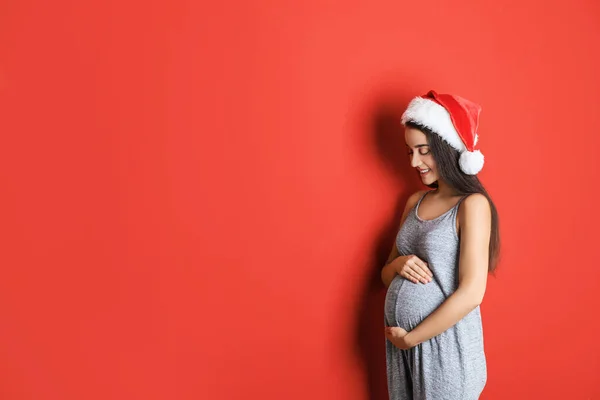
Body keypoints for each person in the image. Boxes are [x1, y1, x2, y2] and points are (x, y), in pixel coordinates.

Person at [381, 90, 500, 399]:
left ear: (447, 148)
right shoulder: (414, 201)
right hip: (403, 349)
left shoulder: (472, 205)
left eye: (423, 150)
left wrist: (411, 338)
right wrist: (397, 265)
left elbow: (473, 292)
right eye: (409, 151)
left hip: (445, 349)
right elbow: (385, 274)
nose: (414, 161)